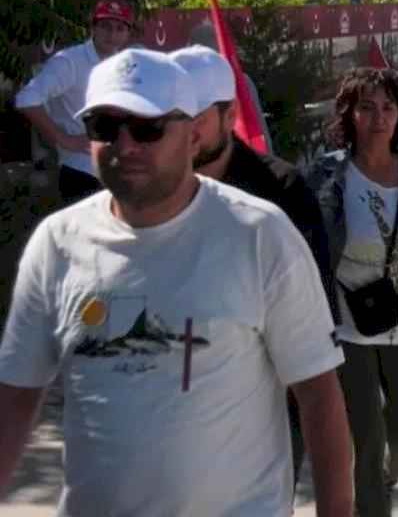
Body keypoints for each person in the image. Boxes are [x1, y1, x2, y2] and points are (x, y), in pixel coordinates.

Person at [0, 49, 354, 515]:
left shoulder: (260, 234)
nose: (125, 146)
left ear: (192, 136)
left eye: (147, 128)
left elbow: (320, 398)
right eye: (105, 127)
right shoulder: (58, 242)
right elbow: (16, 396)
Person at [171, 45, 334, 482]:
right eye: (171, 118)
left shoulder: (279, 191)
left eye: (196, 119)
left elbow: (316, 314)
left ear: (229, 115)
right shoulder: (150, 190)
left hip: (262, 410)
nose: (181, 132)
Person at [307, 68, 398, 517]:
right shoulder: (328, 173)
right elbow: (306, 241)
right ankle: (370, 496)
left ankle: (380, 481)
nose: (378, 118)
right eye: (366, 107)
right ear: (347, 114)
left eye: (388, 107)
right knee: (365, 441)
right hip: (349, 325)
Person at [15, 0, 135, 204]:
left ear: (127, 33)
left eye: (119, 28)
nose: (112, 34)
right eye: (105, 26)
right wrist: (63, 139)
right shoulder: (69, 62)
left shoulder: (123, 63)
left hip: (115, 169)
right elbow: (26, 99)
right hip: (81, 171)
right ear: (93, 27)